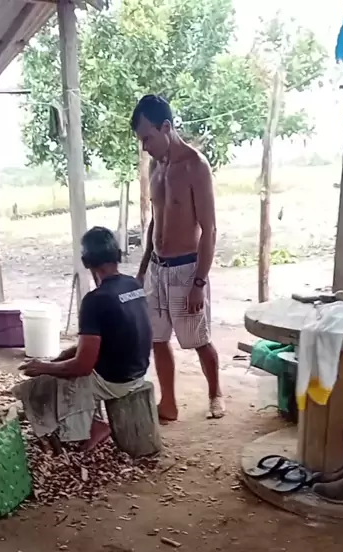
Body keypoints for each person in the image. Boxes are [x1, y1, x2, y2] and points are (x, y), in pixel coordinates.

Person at [131, 94, 225, 423]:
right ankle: (168, 403)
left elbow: (209, 229)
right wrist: (143, 268)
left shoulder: (196, 166)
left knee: (198, 339)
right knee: (157, 338)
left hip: (187, 268)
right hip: (158, 268)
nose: (145, 147)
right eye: (141, 140)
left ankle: (215, 393)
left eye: (148, 138)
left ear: (166, 127)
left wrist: (199, 282)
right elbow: (155, 220)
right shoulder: (156, 167)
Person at [19, 227, 152, 449]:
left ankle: (88, 428)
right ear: (117, 255)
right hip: (138, 371)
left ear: (85, 261)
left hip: (116, 381)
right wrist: (65, 356)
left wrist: (44, 367)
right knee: (63, 365)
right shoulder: (132, 284)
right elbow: (114, 336)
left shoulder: (95, 300)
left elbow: (82, 366)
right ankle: (90, 420)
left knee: (41, 385)